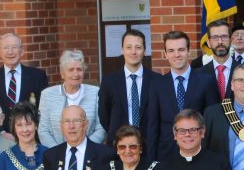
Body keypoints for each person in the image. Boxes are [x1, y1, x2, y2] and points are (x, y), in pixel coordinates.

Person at [150, 30, 221, 161]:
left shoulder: (206, 81)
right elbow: (153, 126)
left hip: (199, 154)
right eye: (171, 51)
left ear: (189, 51)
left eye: (181, 49)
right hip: (166, 155)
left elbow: (213, 122)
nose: (176, 55)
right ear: (165, 54)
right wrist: (152, 159)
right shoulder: (156, 85)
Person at [99, 27, 158, 145]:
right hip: (119, 145)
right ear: (122, 50)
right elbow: (104, 116)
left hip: (149, 145)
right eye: (129, 47)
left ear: (145, 50)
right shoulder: (109, 81)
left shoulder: (157, 80)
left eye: (138, 47)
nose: (133, 52)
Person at [38, 49, 107, 147]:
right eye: (71, 70)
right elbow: (43, 131)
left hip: (89, 154)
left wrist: (85, 150)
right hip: (57, 155)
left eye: (79, 69)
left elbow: (101, 128)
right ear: (62, 73)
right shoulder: (47, 95)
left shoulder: (96, 93)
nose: (76, 74)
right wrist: (59, 152)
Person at [0, 32, 48, 111]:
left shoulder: (38, 76)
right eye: (5, 48)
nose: (10, 52)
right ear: (0, 52)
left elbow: (45, 108)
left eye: (14, 47)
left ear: (22, 51)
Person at [200, 19, 237, 102]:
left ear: (231, 40)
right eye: (215, 37)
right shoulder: (199, 75)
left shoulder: (243, 70)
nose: (220, 42)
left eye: (224, 36)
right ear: (208, 43)